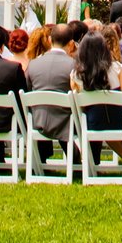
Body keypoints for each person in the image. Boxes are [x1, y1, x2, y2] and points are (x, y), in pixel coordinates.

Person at [70, 31, 122, 162]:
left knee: (97, 116)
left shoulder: (76, 75)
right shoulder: (116, 68)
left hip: (93, 124)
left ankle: (94, 162)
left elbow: (78, 106)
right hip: (120, 122)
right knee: (110, 117)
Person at [26, 23, 79, 157]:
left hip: (38, 121)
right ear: (71, 44)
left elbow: (27, 91)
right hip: (67, 122)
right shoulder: (74, 65)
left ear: (50, 40)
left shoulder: (33, 64)